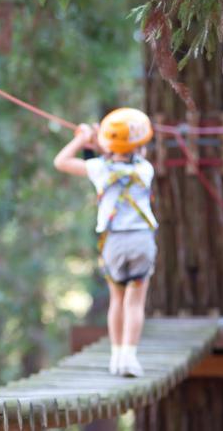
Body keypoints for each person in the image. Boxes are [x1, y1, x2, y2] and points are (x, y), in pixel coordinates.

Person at [53, 108, 157, 377]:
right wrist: (99, 137)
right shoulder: (146, 169)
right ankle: (130, 358)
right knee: (135, 302)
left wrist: (82, 138)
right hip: (141, 240)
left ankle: (115, 357)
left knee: (117, 300)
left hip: (113, 242)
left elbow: (61, 161)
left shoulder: (98, 169)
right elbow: (124, 149)